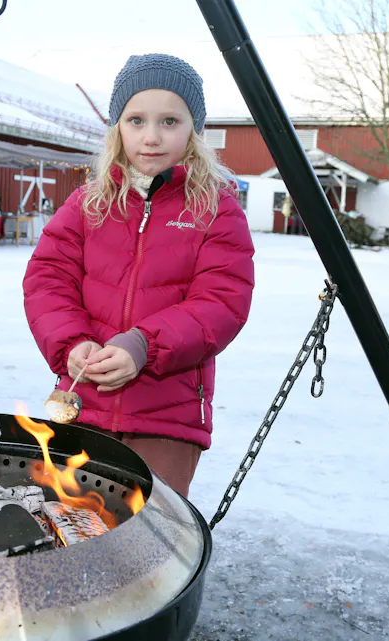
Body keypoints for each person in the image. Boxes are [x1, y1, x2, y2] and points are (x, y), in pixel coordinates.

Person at [22, 54, 255, 498]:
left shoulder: (215, 208)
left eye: (170, 120)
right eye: (136, 120)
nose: (151, 137)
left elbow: (222, 301)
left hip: (167, 415)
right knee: (69, 524)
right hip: (83, 404)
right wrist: (71, 343)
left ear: (194, 129)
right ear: (117, 127)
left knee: (149, 538)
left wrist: (144, 345)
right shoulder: (89, 203)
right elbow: (47, 280)